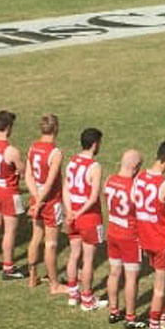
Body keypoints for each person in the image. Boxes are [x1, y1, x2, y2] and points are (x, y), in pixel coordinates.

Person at [132, 140, 165, 329]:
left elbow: (136, 203)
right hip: (161, 239)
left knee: (159, 279)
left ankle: (163, 316)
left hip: (145, 237)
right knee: (161, 286)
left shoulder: (140, 177)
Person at [0, 110, 27, 278]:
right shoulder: (11, 150)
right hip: (9, 191)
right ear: (8, 127)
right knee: (10, 230)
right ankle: (9, 267)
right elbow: (21, 170)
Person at [61, 127, 104, 299]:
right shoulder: (94, 166)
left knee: (74, 254)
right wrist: (78, 213)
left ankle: (72, 292)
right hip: (88, 217)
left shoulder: (72, 161)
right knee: (88, 260)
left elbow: (65, 188)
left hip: (72, 214)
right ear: (94, 145)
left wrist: (70, 210)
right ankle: (87, 297)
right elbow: (93, 198)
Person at [24, 113, 65, 291]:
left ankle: (32, 276)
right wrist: (40, 202)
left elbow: (28, 176)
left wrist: (35, 199)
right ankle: (54, 284)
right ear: (56, 128)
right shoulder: (55, 153)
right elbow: (50, 182)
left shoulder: (33, 148)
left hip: (36, 198)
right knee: (51, 244)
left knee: (36, 237)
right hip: (50, 202)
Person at [102, 148, 143, 325]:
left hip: (112, 231)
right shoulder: (134, 187)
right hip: (130, 235)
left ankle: (113, 310)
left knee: (114, 272)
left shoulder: (109, 180)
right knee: (131, 277)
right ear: (135, 167)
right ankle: (130, 317)